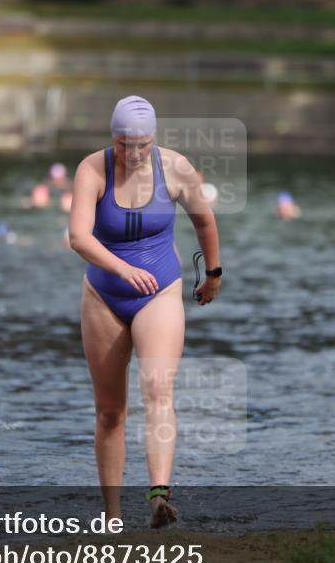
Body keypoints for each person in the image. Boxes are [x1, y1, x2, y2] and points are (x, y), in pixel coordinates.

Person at [68, 95, 222, 528]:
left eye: (142, 145)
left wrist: (213, 274)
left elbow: (204, 222)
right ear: (112, 138)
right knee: (110, 410)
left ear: (154, 139)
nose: (134, 153)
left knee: (158, 389)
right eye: (124, 144)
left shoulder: (175, 167)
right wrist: (121, 268)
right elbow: (79, 237)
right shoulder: (92, 170)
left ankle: (159, 495)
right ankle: (112, 515)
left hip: (160, 291)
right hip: (103, 295)